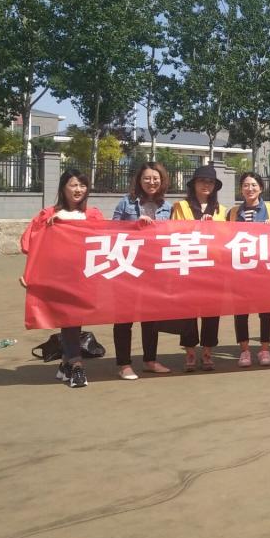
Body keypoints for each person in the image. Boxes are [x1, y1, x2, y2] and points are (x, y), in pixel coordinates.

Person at [20, 169, 104, 388]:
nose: (78, 190)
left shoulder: (93, 214)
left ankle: (66, 362)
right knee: (70, 319)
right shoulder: (48, 214)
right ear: (63, 188)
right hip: (58, 277)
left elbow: (105, 240)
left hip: (84, 276)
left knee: (75, 319)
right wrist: (29, 273)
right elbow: (32, 244)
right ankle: (76, 365)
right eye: (73, 185)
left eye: (82, 185)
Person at [111, 162, 174, 379]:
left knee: (151, 319)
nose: (151, 182)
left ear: (162, 181)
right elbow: (111, 231)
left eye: (156, 178)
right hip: (127, 268)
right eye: (147, 178)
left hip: (154, 271)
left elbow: (172, 236)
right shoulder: (126, 203)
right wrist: (134, 227)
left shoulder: (167, 207)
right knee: (124, 319)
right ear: (139, 180)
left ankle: (150, 360)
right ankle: (124, 364)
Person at [173, 164, 228, 371]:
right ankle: (189, 352)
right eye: (202, 181)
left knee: (211, 312)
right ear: (193, 184)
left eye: (210, 182)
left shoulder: (221, 210)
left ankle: (207, 352)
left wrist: (213, 227)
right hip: (189, 266)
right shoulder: (181, 206)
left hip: (214, 268)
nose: (206, 185)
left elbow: (226, 239)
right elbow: (174, 233)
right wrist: (199, 226)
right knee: (188, 312)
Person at [228, 172, 270, 368]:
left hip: (264, 271)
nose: (249, 189)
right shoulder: (233, 213)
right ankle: (244, 351)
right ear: (241, 189)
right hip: (240, 271)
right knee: (241, 312)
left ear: (261, 188)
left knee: (266, 312)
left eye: (253, 185)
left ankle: (265, 349)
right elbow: (223, 238)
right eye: (245, 185)